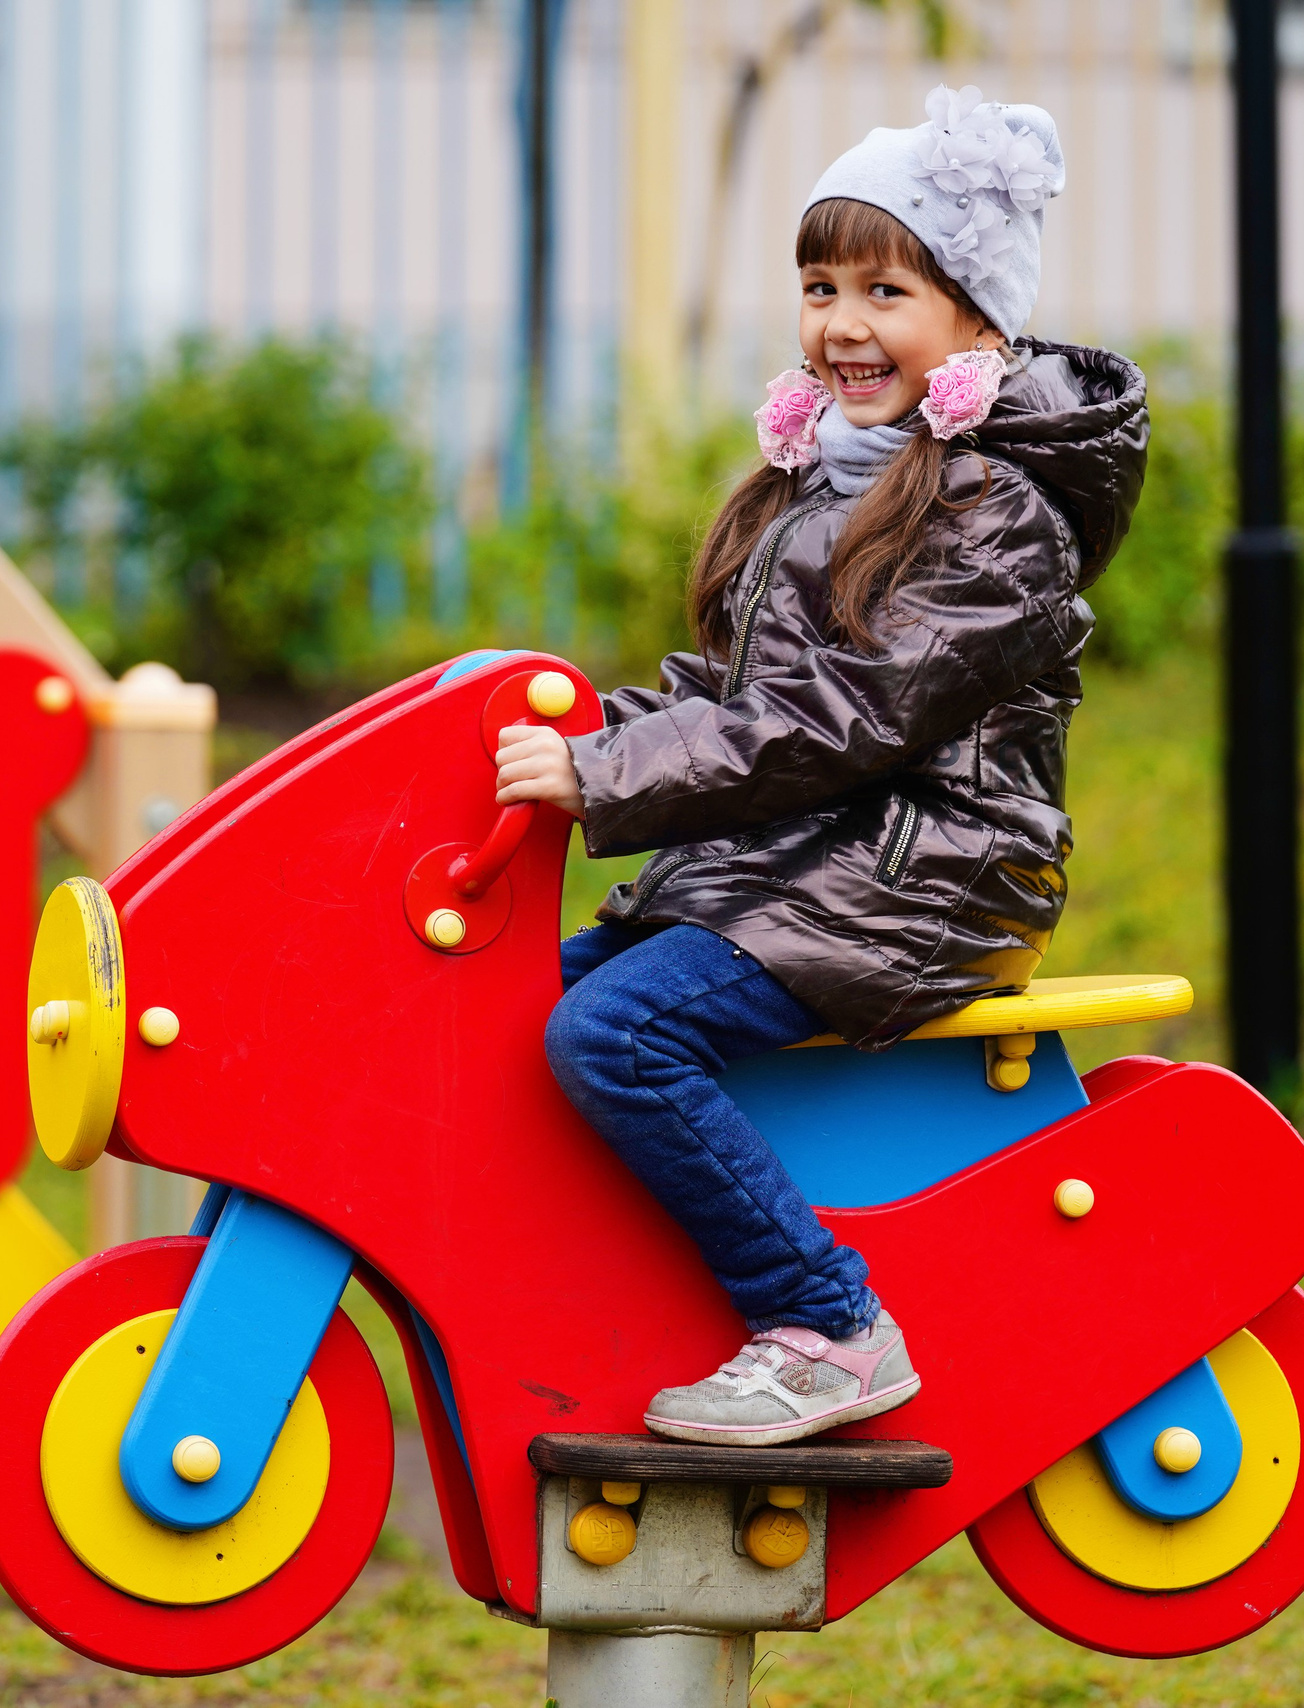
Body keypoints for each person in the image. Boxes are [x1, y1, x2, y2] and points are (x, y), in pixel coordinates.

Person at [489, 88, 1149, 1447]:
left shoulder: (997, 513)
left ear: (974, 317)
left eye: (885, 288)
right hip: (809, 863)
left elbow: (848, 715)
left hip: (933, 874)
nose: (843, 323)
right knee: (523, 1009)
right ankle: (628, 1301)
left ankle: (830, 1327)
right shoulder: (828, 480)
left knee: (618, 1031)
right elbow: (742, 695)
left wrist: (610, 780)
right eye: (818, 285)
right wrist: (576, 734)